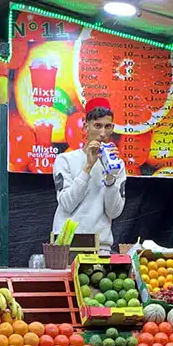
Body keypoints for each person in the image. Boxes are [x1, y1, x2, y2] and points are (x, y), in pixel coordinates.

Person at [51, 97, 127, 254]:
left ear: (113, 128)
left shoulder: (117, 165)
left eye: (107, 127)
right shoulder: (65, 159)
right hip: (67, 245)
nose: (102, 133)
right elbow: (66, 204)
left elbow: (114, 212)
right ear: (86, 126)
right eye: (97, 126)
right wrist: (88, 167)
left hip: (101, 246)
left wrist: (110, 177)